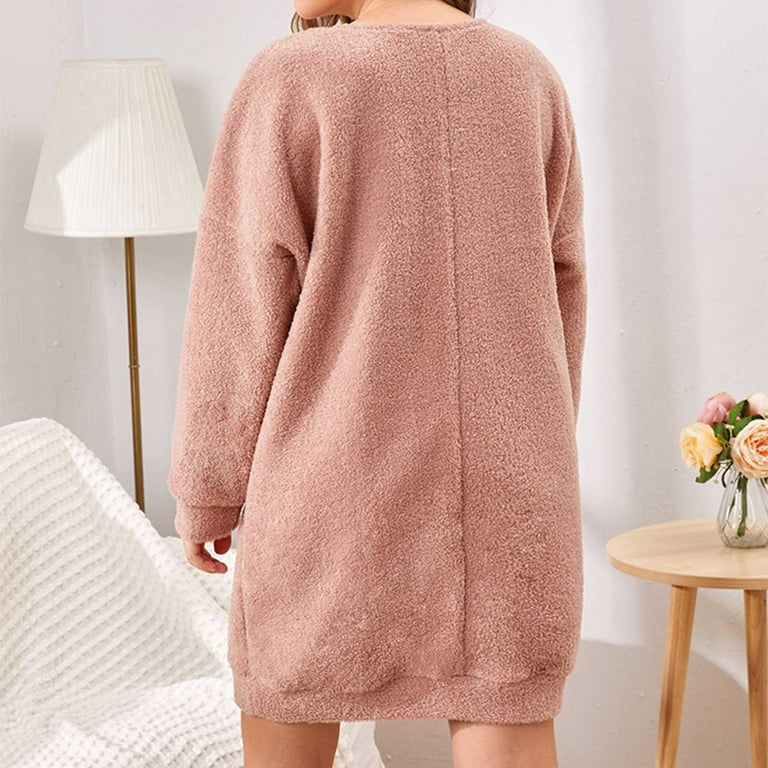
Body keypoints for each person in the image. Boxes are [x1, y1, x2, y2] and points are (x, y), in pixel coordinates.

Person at [167, 0, 588, 765]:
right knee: (504, 705)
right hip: (512, 492)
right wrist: (541, 451)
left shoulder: (292, 76)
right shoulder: (526, 74)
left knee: (291, 696)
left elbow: (239, 301)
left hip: (332, 490)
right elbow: (564, 285)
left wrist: (208, 486)